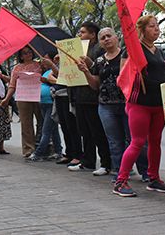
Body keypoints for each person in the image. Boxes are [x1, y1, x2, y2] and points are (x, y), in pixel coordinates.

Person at [112, 15, 165, 197]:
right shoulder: (133, 49)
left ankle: (154, 178)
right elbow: (122, 78)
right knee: (138, 141)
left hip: (159, 103)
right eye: (152, 26)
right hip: (139, 103)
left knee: (155, 142)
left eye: (157, 26)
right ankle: (120, 181)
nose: (156, 29)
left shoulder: (160, 51)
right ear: (142, 29)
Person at [77, 27, 148, 179]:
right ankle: (121, 171)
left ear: (117, 38)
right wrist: (86, 72)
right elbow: (95, 84)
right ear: (100, 43)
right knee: (114, 142)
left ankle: (145, 172)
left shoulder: (127, 56)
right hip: (106, 106)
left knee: (135, 140)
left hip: (128, 104)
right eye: (103, 38)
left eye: (109, 36)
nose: (106, 39)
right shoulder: (100, 61)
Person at [67, 22, 112, 176]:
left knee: (97, 132)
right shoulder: (78, 49)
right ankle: (88, 161)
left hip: (93, 97)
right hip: (79, 95)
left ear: (93, 35)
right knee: (84, 131)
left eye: (83, 32)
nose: (80, 35)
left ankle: (106, 163)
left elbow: (101, 71)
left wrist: (90, 63)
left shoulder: (99, 49)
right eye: (79, 32)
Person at [0, 46, 43, 157]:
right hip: (23, 97)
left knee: (41, 122)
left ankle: (42, 146)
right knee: (26, 124)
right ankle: (29, 149)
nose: (27, 55)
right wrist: (7, 98)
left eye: (29, 52)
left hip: (38, 96)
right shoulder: (17, 68)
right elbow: (12, 85)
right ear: (20, 56)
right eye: (24, 53)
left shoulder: (39, 65)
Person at [27, 54, 63, 162]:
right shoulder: (45, 71)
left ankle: (39, 153)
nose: (43, 60)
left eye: (46, 58)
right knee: (53, 130)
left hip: (51, 103)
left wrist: (46, 79)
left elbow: (55, 79)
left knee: (46, 130)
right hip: (43, 103)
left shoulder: (54, 70)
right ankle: (58, 151)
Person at [52, 54, 82, 165]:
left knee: (71, 126)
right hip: (58, 95)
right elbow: (53, 76)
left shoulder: (74, 58)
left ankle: (77, 154)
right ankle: (69, 153)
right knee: (64, 126)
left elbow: (62, 77)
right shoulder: (60, 61)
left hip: (67, 95)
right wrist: (55, 64)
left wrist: (52, 66)